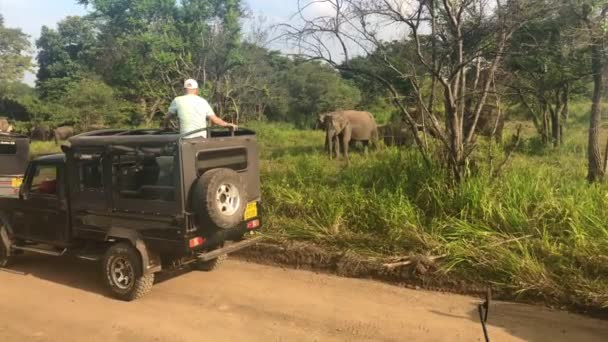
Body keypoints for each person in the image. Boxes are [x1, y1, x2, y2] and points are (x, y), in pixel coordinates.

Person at [164, 79, 236, 138]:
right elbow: (215, 120)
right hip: (201, 139)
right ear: (196, 90)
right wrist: (227, 124)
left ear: (184, 89)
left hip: (185, 139)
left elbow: (167, 117)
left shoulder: (177, 100)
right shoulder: (203, 101)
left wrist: (166, 127)